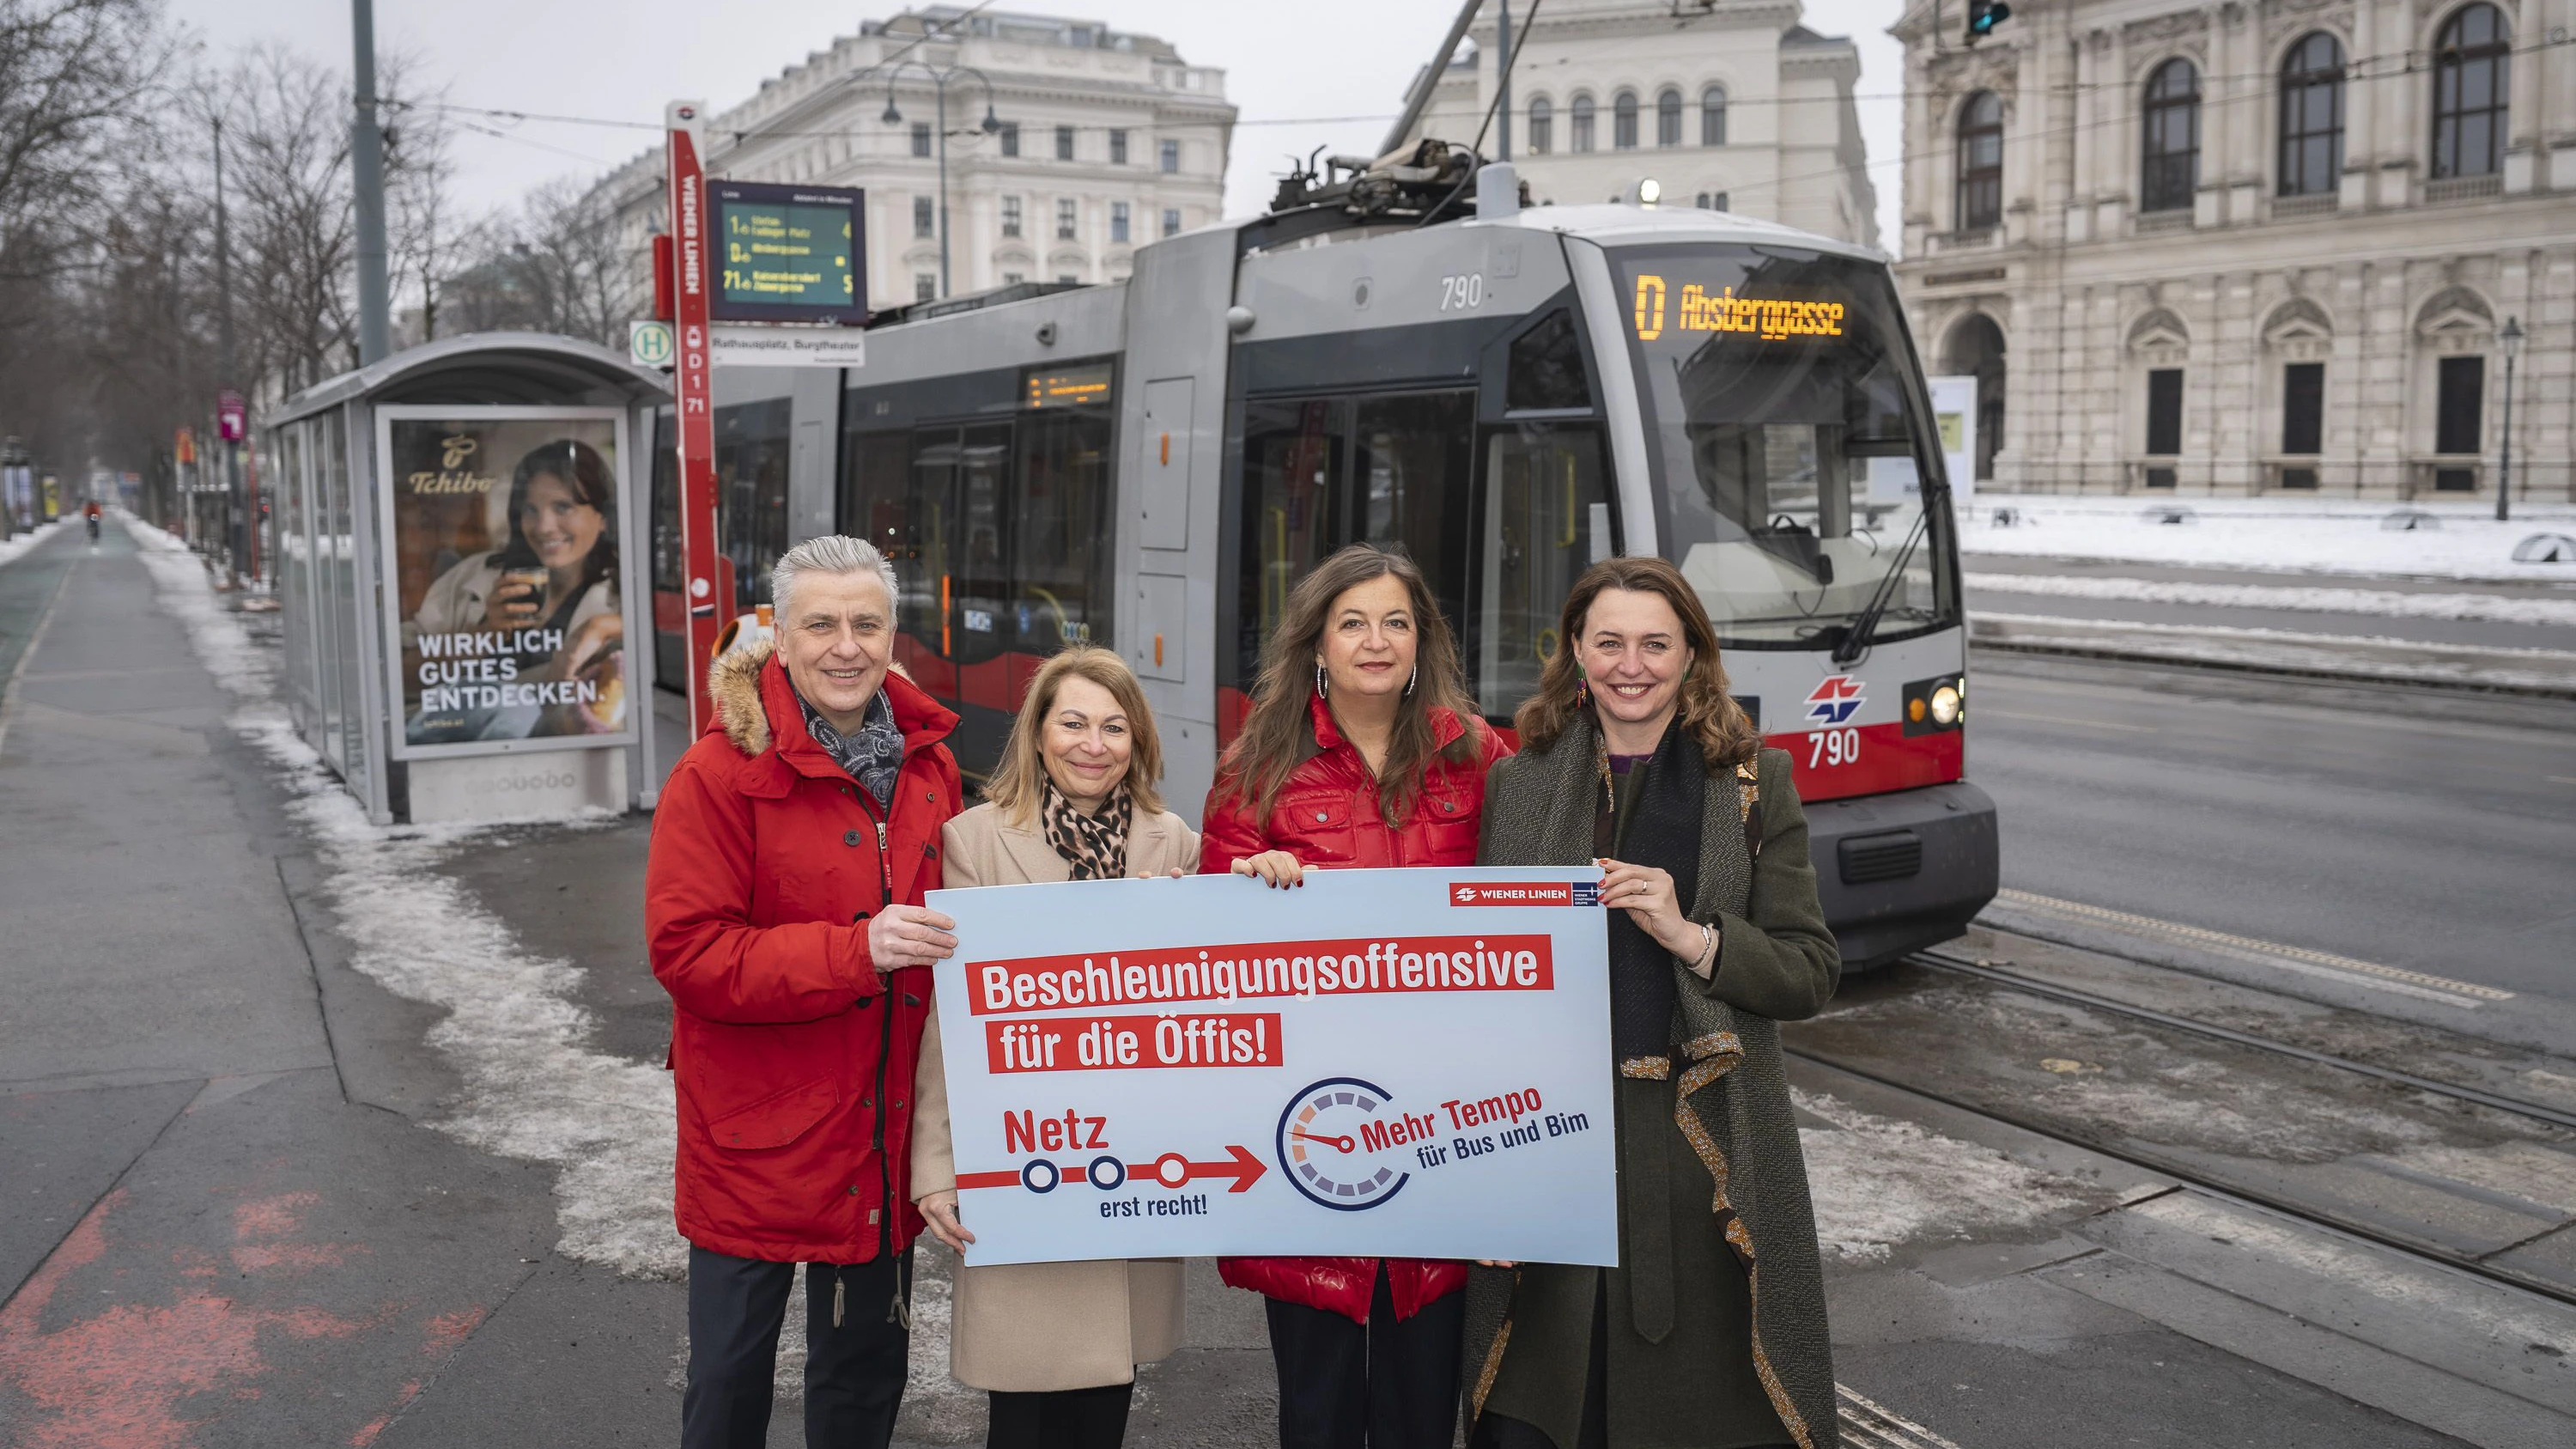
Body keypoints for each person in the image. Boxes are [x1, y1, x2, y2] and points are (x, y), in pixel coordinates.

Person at [1464, 556, 1841, 1449]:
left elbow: (1809, 971)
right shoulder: (1519, 783)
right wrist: (1480, 1179)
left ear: (1693, 655)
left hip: (1703, 1152)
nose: (1631, 664)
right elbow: (1476, 988)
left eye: (1655, 644)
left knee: (1706, 1418)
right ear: (1575, 653)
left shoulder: (1754, 782)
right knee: (1543, 1413)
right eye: (1609, 642)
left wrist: (1693, 936)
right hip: (1554, 1144)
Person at [646, 534, 964, 1449]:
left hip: (878, 1131)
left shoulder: (930, 764)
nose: (846, 645)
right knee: (730, 1384)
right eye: (819, 623)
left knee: (864, 1382)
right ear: (777, 638)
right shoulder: (716, 774)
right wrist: (855, 953)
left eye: (867, 623)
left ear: (892, 635)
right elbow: (689, 953)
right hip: (758, 1139)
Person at [1200, 543, 1513, 1449]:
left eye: (1397, 621)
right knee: (1320, 1414)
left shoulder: (1480, 755)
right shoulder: (1256, 768)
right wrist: (1241, 885)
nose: (1376, 641)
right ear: (1317, 644)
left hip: (1443, 1132)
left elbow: (1534, 916)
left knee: (1424, 1414)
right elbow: (1210, 959)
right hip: (1311, 1140)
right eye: (1353, 622)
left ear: (1423, 642)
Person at [910, 646, 1200, 1449]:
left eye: (1114, 727)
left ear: (1138, 741)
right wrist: (936, 1166)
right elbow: (950, 1022)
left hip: (1131, 1162)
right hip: (1029, 1158)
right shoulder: (974, 840)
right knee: (1026, 1408)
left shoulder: (1173, 843)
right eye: (1072, 722)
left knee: (1105, 1400)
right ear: (1036, 734)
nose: (1093, 743)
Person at [409, 438, 624, 739]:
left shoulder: (624, 595)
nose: (543, 526)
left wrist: (604, 626)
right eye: (530, 510)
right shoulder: (476, 575)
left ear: (603, 517)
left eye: (563, 507)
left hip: (557, 760)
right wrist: (485, 634)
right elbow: (403, 677)